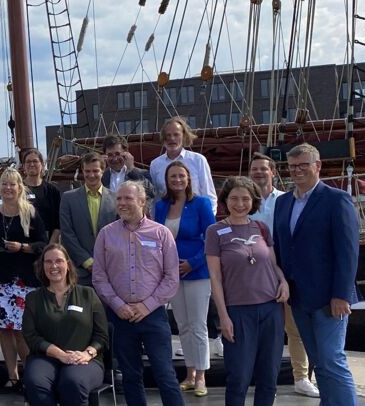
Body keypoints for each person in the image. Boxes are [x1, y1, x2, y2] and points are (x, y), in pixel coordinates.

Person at [273, 144, 360, 405]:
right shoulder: (282, 202)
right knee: (318, 361)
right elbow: (281, 248)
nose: (297, 170)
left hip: (329, 298)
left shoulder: (336, 199)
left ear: (317, 166)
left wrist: (342, 295)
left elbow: (348, 251)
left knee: (332, 359)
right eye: (292, 166)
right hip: (298, 297)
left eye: (303, 165)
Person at [92, 181, 183, 406]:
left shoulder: (161, 233)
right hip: (120, 317)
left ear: (142, 202)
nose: (122, 203)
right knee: (130, 376)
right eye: (119, 199)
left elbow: (172, 277)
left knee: (165, 374)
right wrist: (117, 305)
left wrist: (146, 305)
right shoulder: (106, 234)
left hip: (153, 315)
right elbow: (99, 277)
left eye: (128, 198)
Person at [206, 176, 289, 406]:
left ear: (253, 201)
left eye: (245, 199)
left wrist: (283, 281)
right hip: (238, 312)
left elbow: (272, 264)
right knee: (239, 377)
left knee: (269, 377)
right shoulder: (215, 231)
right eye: (234, 198)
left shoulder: (261, 228)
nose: (240, 204)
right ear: (225, 200)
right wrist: (223, 317)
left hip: (271, 309)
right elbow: (215, 278)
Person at [248, 153, 319, 398]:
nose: (259, 173)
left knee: (294, 328)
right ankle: (264, 380)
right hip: (255, 273)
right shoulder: (245, 202)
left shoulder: (286, 200)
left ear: (273, 172)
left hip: (286, 270)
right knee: (261, 330)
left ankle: (301, 378)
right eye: (254, 169)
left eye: (263, 169)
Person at [0, 167, 47, 391]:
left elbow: (43, 244)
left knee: (21, 331)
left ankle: (31, 376)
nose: (8, 188)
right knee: (5, 330)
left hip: (23, 281)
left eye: (12, 184)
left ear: (20, 187)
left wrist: (23, 247)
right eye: (4, 184)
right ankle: (13, 376)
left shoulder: (31, 213)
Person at [153, 160, 216, 396]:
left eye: (181, 176)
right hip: (172, 273)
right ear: (167, 180)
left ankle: (201, 376)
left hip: (197, 272)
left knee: (198, 324)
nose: (177, 180)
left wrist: (193, 263)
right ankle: (189, 373)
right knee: (183, 325)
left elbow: (211, 238)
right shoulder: (161, 206)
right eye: (173, 176)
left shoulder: (201, 203)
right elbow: (157, 237)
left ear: (188, 178)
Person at [22, 244, 109, 406]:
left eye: (59, 261)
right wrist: (60, 354)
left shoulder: (88, 294)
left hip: (84, 360)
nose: (53, 266)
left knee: (72, 382)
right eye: (48, 262)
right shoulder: (33, 298)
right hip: (45, 358)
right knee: (35, 382)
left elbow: (102, 335)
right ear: (42, 266)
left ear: (68, 265)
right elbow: (31, 336)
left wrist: (87, 354)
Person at [59, 152, 117, 285]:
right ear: (82, 171)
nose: (91, 175)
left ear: (103, 171)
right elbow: (67, 233)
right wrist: (87, 261)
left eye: (95, 171)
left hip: (110, 270)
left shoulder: (115, 199)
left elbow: (119, 234)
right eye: (87, 171)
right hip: (79, 271)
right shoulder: (68, 198)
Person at [149, 116, 217, 213]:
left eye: (176, 134)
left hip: (195, 215)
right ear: (163, 138)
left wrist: (209, 218)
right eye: (168, 135)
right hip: (167, 217)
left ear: (184, 136)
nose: (172, 138)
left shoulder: (198, 160)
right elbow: (155, 198)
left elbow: (209, 195)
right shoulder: (155, 165)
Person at [20, 148, 61, 243]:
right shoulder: (17, 190)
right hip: (23, 243)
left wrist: (49, 246)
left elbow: (58, 223)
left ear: (42, 164)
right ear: (23, 166)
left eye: (35, 161)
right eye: (28, 162)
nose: (32, 164)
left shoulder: (52, 191)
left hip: (48, 242)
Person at [101, 134, 156, 201]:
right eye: (110, 155)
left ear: (126, 153)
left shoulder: (142, 173)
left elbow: (151, 193)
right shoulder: (102, 176)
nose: (115, 159)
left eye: (118, 154)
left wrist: (132, 169)